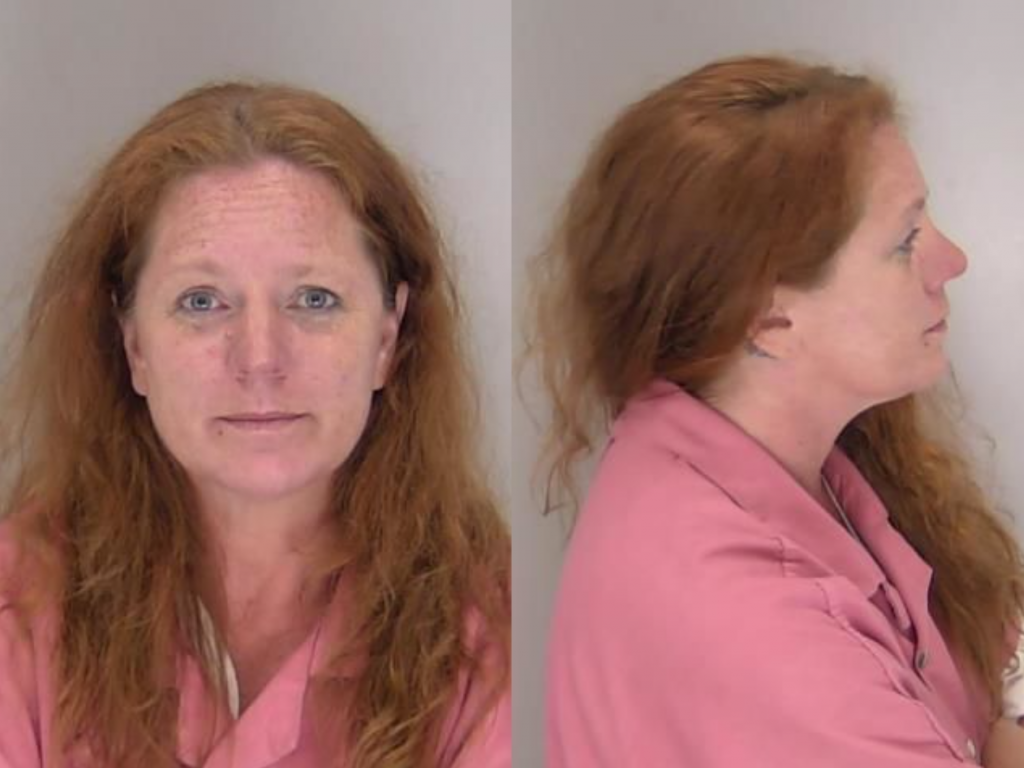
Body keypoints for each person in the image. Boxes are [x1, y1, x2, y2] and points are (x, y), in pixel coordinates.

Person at [529, 55, 1024, 766]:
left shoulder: (808, 466)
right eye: (905, 240)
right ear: (765, 317)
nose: (953, 260)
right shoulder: (749, 620)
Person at [0, 81, 510, 768]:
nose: (261, 359)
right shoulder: (18, 609)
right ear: (134, 344)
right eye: (202, 301)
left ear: (387, 337)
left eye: (314, 299)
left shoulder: (493, 633)